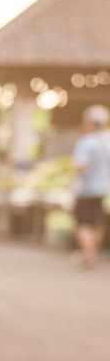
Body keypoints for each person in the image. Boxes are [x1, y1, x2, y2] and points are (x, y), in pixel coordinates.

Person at [72, 104, 110, 269]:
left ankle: (90, 257)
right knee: (96, 222)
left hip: (86, 189)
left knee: (84, 224)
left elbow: (80, 166)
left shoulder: (86, 143)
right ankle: (94, 253)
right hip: (102, 188)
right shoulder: (108, 141)